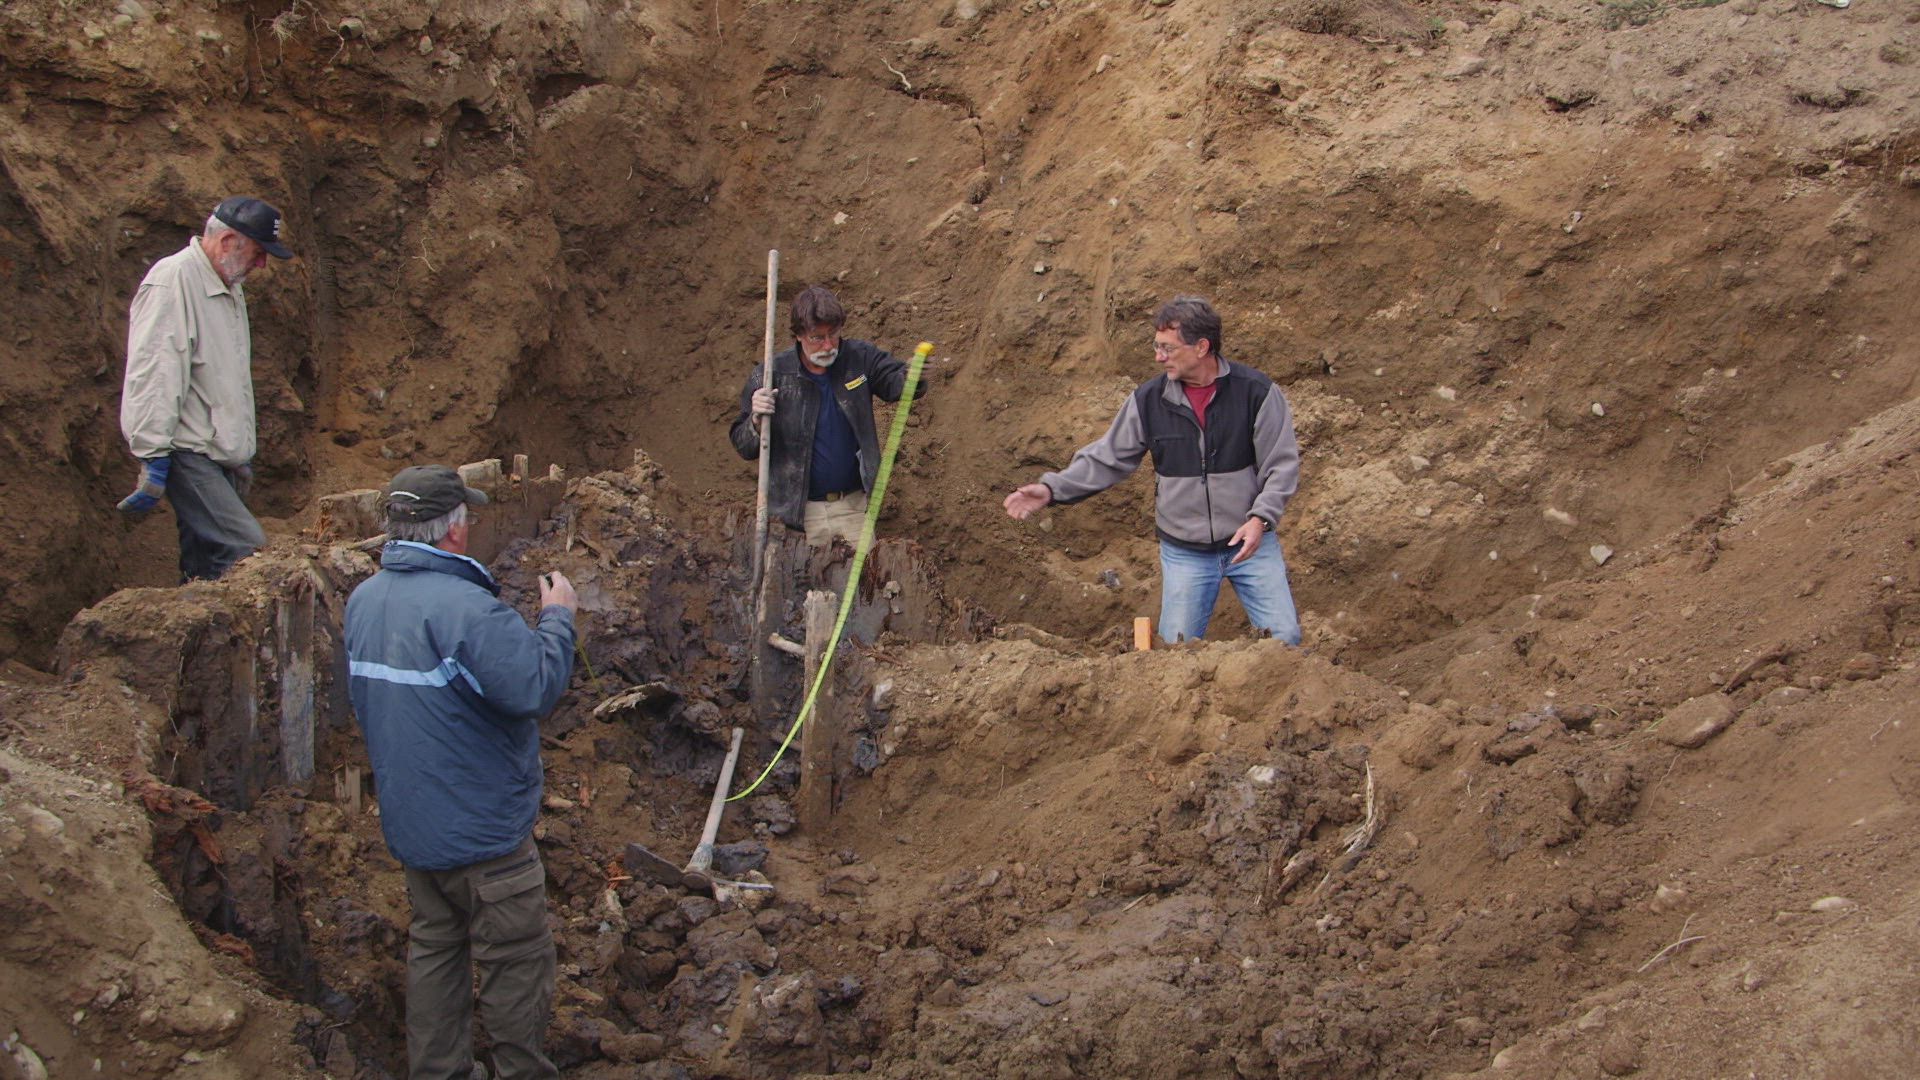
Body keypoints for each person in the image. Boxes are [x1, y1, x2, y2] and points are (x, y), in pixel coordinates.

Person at [344, 465, 578, 1080]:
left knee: (436, 946)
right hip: (485, 836)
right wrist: (558, 618)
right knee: (516, 958)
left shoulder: (364, 601)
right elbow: (533, 688)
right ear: (453, 532)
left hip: (416, 828)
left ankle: (439, 1070)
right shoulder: (468, 610)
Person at [1004, 296, 1303, 645]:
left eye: (1167, 348)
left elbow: (1281, 464)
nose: (1158, 357)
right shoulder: (1149, 401)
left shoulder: (1257, 393)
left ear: (1201, 346)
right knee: (1173, 654)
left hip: (1251, 543)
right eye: (1156, 346)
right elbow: (1107, 457)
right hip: (1186, 552)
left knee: (1285, 639)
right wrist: (1052, 489)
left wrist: (1261, 519)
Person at [116, 196, 293, 581]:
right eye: (258, 252)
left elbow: (222, 378)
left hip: (213, 455)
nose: (261, 264)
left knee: (205, 569)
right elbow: (155, 372)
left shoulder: (226, 285)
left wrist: (237, 451)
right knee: (249, 553)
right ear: (228, 240)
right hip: (187, 452)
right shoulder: (174, 281)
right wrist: (153, 453)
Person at [729, 285, 925, 546]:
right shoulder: (772, 375)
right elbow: (743, 445)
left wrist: (914, 375)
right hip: (797, 517)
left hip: (853, 508)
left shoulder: (859, 359)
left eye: (834, 334)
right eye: (817, 338)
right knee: (803, 585)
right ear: (798, 335)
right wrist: (755, 420)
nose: (829, 345)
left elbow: (896, 384)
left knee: (862, 583)